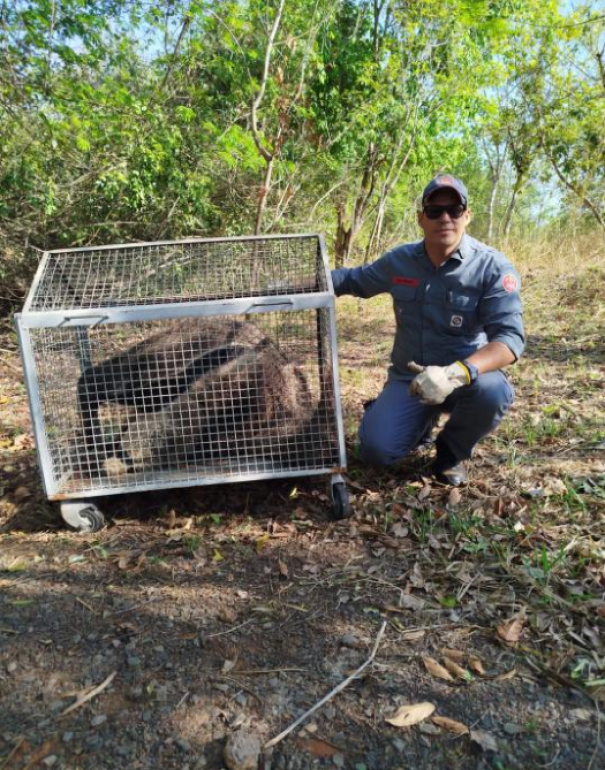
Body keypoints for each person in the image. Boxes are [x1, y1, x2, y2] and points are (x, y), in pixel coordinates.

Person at [331, 174, 524, 486]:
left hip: (465, 378)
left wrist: (455, 374)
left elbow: (510, 340)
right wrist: (291, 284)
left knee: (494, 392)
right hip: (410, 380)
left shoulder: (493, 268)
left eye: (455, 210)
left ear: (467, 215)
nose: (445, 218)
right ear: (421, 218)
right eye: (434, 211)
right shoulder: (400, 261)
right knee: (376, 453)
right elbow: (351, 280)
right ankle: (410, 419)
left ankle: (451, 453)